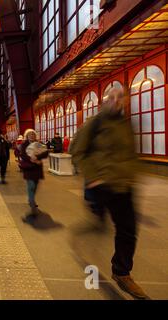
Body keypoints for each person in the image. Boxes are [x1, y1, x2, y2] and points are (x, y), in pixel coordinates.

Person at [70, 87, 148, 300]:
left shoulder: (126, 125)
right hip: (101, 185)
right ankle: (88, 241)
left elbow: (130, 154)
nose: (116, 101)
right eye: (111, 98)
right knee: (100, 224)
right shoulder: (94, 123)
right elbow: (76, 151)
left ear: (125, 101)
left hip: (123, 186)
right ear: (104, 102)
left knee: (128, 230)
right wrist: (93, 177)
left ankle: (122, 272)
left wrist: (132, 175)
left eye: (120, 97)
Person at [18, 129, 49, 219]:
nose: (32, 136)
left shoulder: (38, 144)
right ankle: (32, 203)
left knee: (35, 186)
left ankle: (31, 199)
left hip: (37, 169)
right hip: (29, 168)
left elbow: (45, 153)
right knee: (30, 185)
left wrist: (37, 157)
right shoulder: (24, 145)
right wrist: (31, 159)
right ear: (27, 136)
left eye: (33, 134)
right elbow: (23, 155)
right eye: (30, 134)